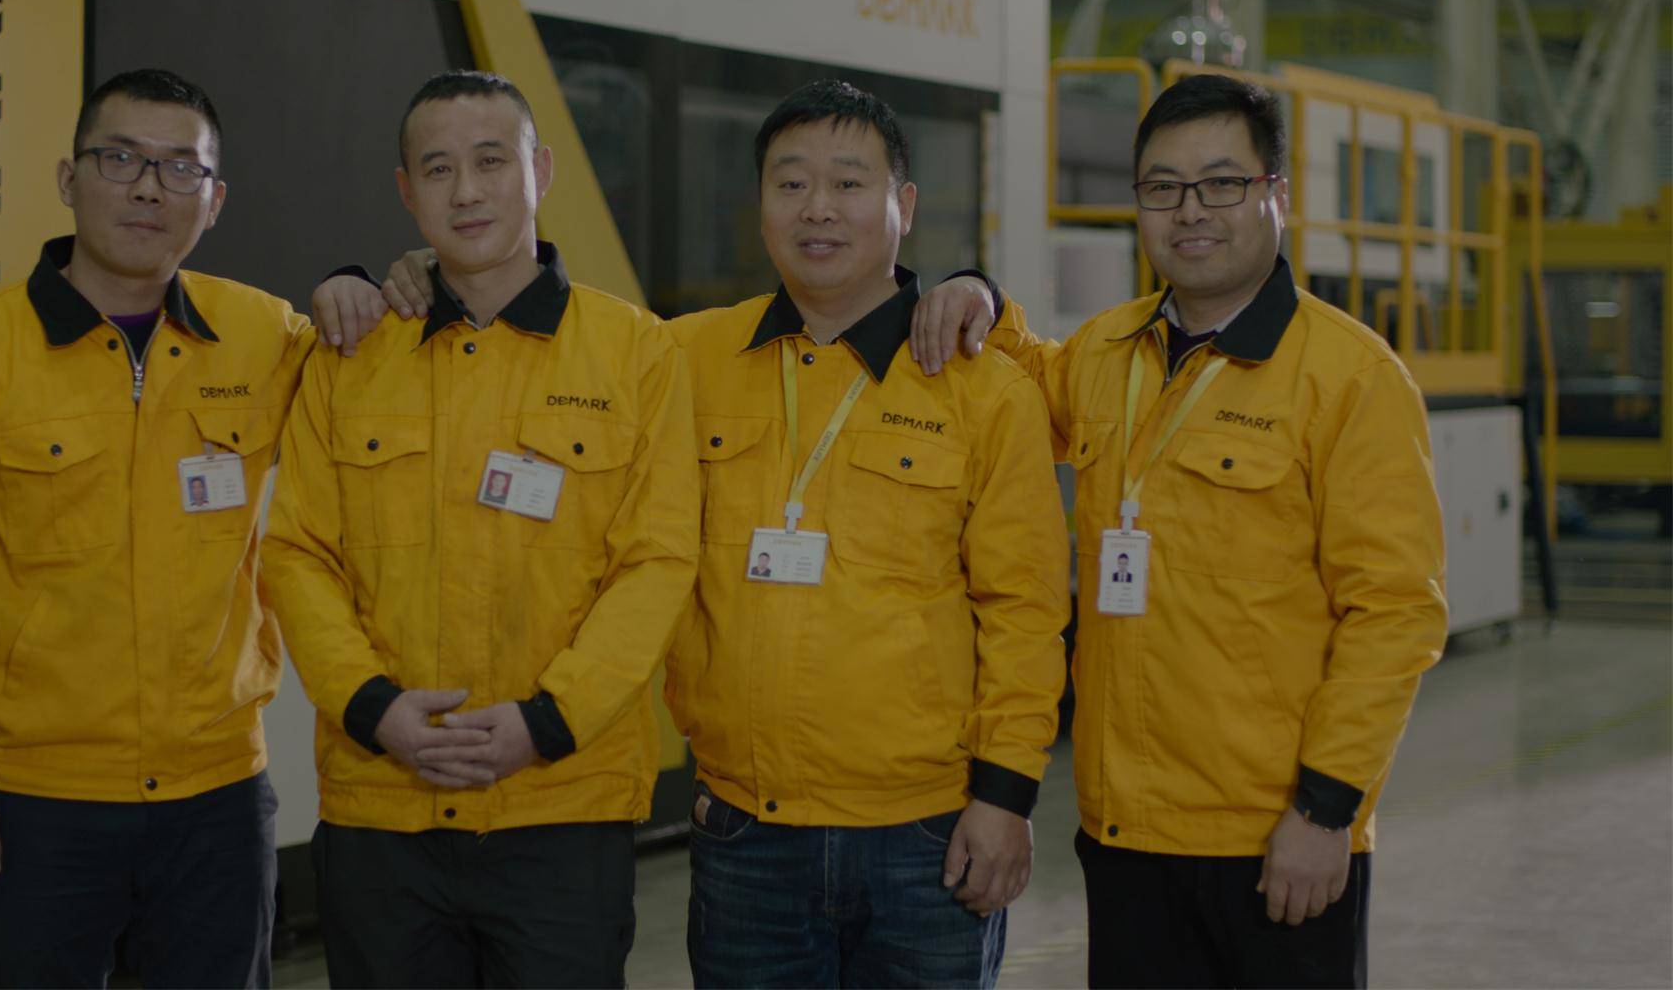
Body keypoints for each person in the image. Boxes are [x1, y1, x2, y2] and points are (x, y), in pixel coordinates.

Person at [317, 80, 1070, 989]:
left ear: (903, 205)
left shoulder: (982, 387)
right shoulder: (678, 356)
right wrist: (407, 275)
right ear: (760, 205)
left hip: (926, 830)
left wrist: (1005, 796)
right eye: (790, 184)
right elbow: (511, 326)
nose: (818, 208)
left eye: (848, 183)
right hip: (745, 834)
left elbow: (1025, 609)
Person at [938, 73, 1447, 988]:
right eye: (1163, 187)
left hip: (1276, 839)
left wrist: (1326, 812)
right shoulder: (1107, 352)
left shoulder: (1350, 378)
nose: (1190, 211)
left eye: (1221, 183)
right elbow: (1026, 386)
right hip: (1125, 834)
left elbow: (1396, 613)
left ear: (1276, 193)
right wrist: (979, 294)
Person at [0, 69, 315, 987]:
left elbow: (387, 375)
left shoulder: (266, 335)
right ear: (69, 180)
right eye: (121, 159)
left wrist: (370, 284)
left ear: (214, 201)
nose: (149, 188)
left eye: (180, 168)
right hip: (35, 799)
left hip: (217, 795)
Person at [263, 70, 700, 989]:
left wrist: (547, 722)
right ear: (405, 190)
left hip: (562, 808)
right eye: (438, 168)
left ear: (541, 170)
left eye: (492, 161)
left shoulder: (634, 352)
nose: (466, 190)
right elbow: (299, 553)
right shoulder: (352, 355)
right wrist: (372, 708)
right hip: (382, 812)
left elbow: (657, 562)